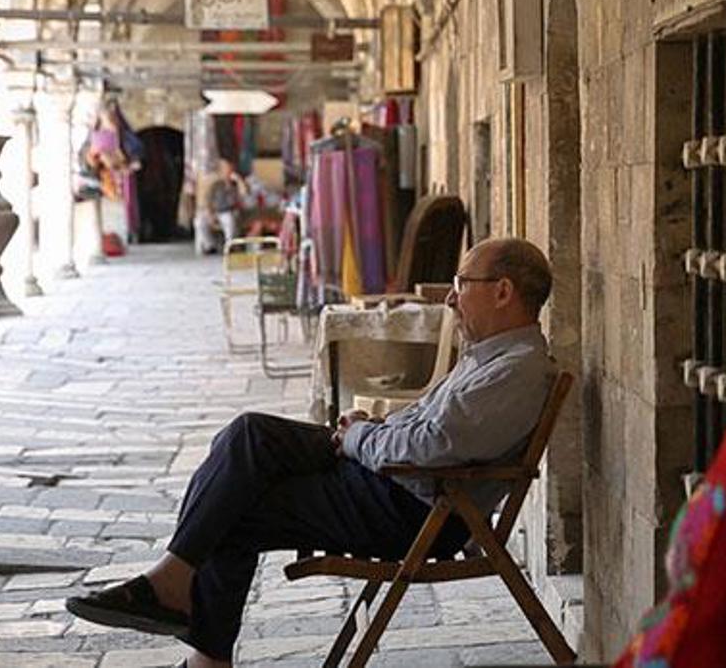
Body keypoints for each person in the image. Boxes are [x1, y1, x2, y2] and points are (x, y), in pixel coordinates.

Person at [66, 237, 557, 667]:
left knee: (234, 503)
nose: (451, 296)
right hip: (397, 486)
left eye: (462, 282)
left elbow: (433, 446)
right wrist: (369, 427)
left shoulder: (515, 370)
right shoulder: (490, 358)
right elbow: (429, 429)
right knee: (246, 440)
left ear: (502, 291)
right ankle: (178, 593)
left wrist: (361, 440)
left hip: (416, 511)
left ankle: (188, 621)